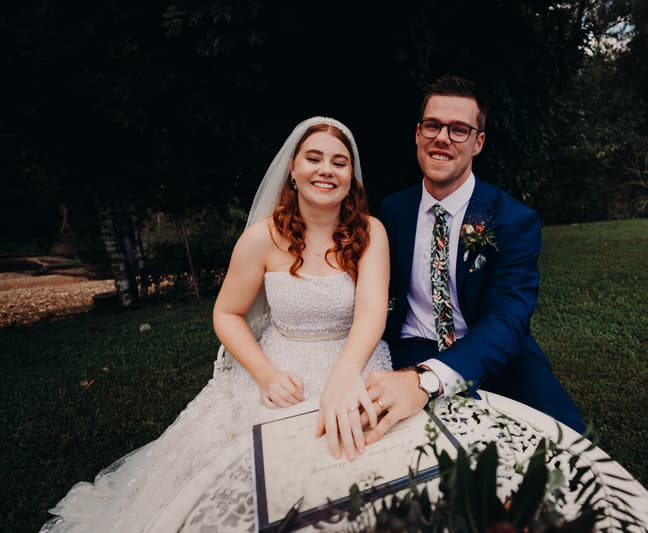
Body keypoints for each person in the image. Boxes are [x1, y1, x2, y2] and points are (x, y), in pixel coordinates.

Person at [41, 116, 393, 532]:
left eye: (339, 162)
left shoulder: (370, 233)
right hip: (282, 366)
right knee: (250, 477)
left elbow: (372, 310)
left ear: (351, 177)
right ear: (293, 171)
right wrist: (264, 375)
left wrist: (346, 375)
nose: (326, 170)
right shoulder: (262, 238)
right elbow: (226, 313)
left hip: (355, 358)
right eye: (313, 158)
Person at [363, 75, 586, 445]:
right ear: (418, 134)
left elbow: (507, 320)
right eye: (433, 125)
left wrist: (428, 379)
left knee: (570, 447)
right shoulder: (393, 210)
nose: (442, 138)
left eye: (459, 130)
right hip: (412, 345)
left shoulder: (513, 220)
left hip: (495, 351)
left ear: (478, 142)